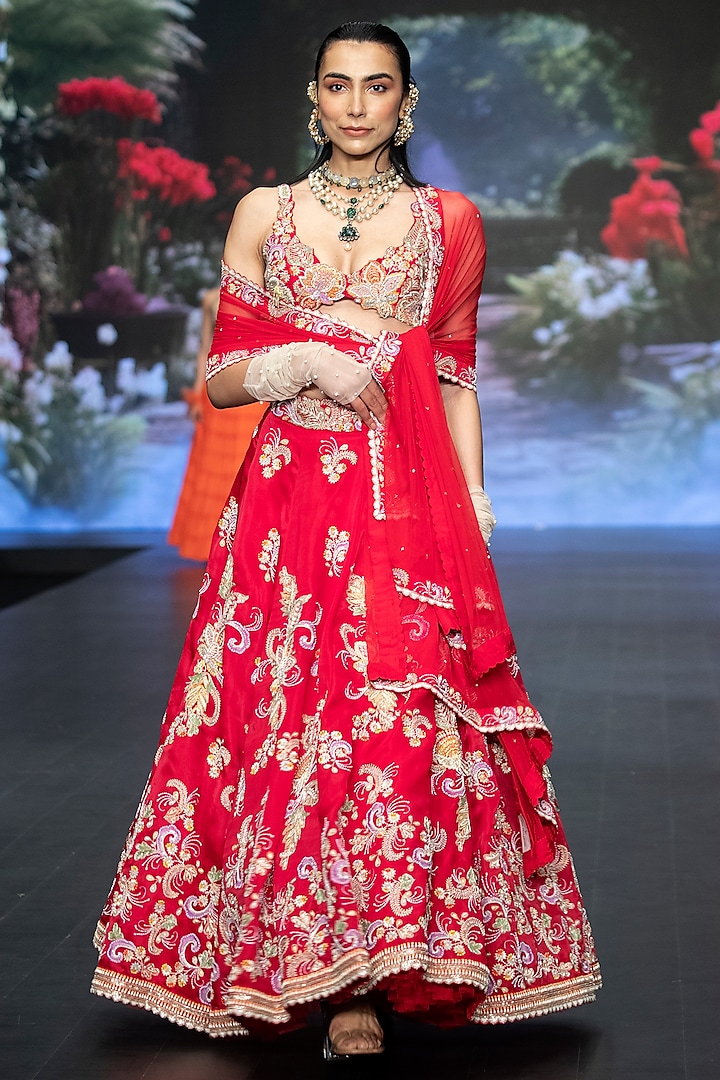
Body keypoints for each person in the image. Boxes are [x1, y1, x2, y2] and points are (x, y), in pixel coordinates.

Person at [91, 21, 600, 1058]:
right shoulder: (265, 216)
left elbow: (454, 378)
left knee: (392, 730)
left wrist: (476, 504)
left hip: (405, 506)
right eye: (338, 85)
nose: (357, 105)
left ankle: (370, 978)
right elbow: (221, 374)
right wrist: (297, 367)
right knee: (285, 724)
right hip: (284, 515)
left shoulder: (445, 221)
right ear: (314, 100)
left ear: (406, 104)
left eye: (378, 87)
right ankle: (291, 970)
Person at [168, 286, 266, 562]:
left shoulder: (265, 293)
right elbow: (205, 351)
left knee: (249, 466)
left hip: (252, 392)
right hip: (220, 394)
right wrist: (199, 395)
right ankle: (213, 545)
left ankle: (248, 545)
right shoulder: (211, 299)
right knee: (215, 466)